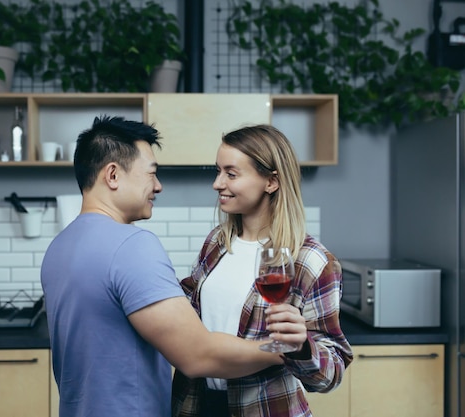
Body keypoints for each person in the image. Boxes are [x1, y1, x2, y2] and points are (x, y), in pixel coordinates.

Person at [41, 116, 293, 417]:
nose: (158, 186)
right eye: (151, 173)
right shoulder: (132, 246)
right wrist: (283, 350)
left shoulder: (59, 247)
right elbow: (198, 356)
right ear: (112, 175)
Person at [172, 124, 354, 417]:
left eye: (231, 174)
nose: (217, 183)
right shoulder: (216, 243)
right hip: (197, 405)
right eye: (217, 171)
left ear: (271, 182)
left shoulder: (312, 261)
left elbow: (331, 375)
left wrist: (301, 347)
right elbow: (184, 312)